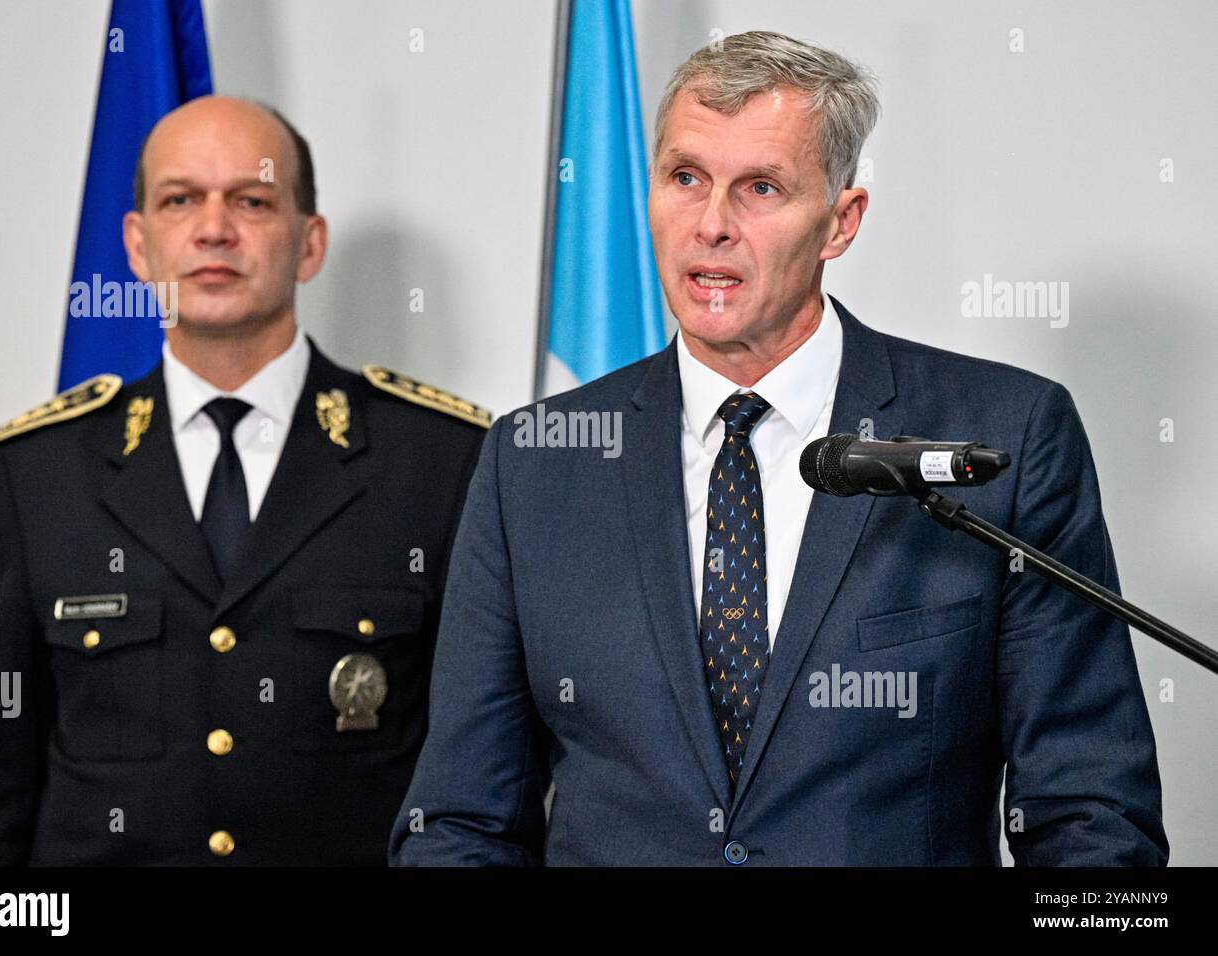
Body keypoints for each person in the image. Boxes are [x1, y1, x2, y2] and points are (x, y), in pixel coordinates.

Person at [389, 31, 1167, 866]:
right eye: (685, 178)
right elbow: (462, 819)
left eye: (760, 188)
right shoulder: (534, 461)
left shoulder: (1006, 435)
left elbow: (1091, 812)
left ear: (841, 221)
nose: (711, 226)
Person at [0, 96, 489, 865]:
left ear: (309, 243)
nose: (214, 229)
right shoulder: (44, 471)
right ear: (137, 246)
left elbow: (484, 775)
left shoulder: (435, 459)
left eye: (253, 200)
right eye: (180, 199)